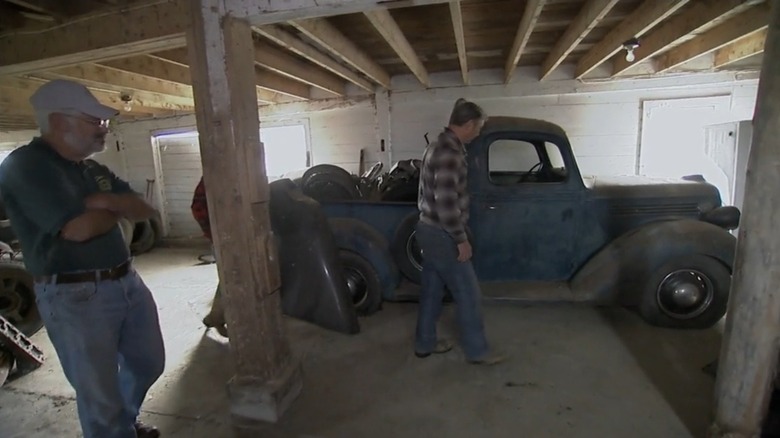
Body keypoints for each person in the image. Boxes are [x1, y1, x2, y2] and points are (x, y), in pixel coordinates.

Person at [0, 79, 165, 438]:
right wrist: (111, 207)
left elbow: (143, 207)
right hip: (75, 295)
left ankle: (124, 424)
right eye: (95, 121)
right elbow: (77, 230)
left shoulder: (91, 169)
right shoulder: (26, 166)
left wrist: (102, 204)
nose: (104, 129)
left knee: (148, 361)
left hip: (127, 283)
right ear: (60, 122)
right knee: (98, 393)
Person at [414, 98, 505, 365]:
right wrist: (460, 239)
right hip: (442, 234)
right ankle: (478, 351)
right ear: (466, 124)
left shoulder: (438, 145)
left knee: (432, 289)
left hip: (428, 230)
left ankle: (424, 343)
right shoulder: (449, 154)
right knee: (468, 293)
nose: (478, 133)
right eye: (477, 127)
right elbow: (446, 204)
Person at [190, 176, 228, 337]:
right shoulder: (213, 174)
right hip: (224, 238)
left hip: (244, 236)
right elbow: (198, 207)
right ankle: (218, 315)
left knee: (231, 279)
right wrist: (214, 234)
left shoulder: (246, 172)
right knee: (231, 279)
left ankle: (216, 314)